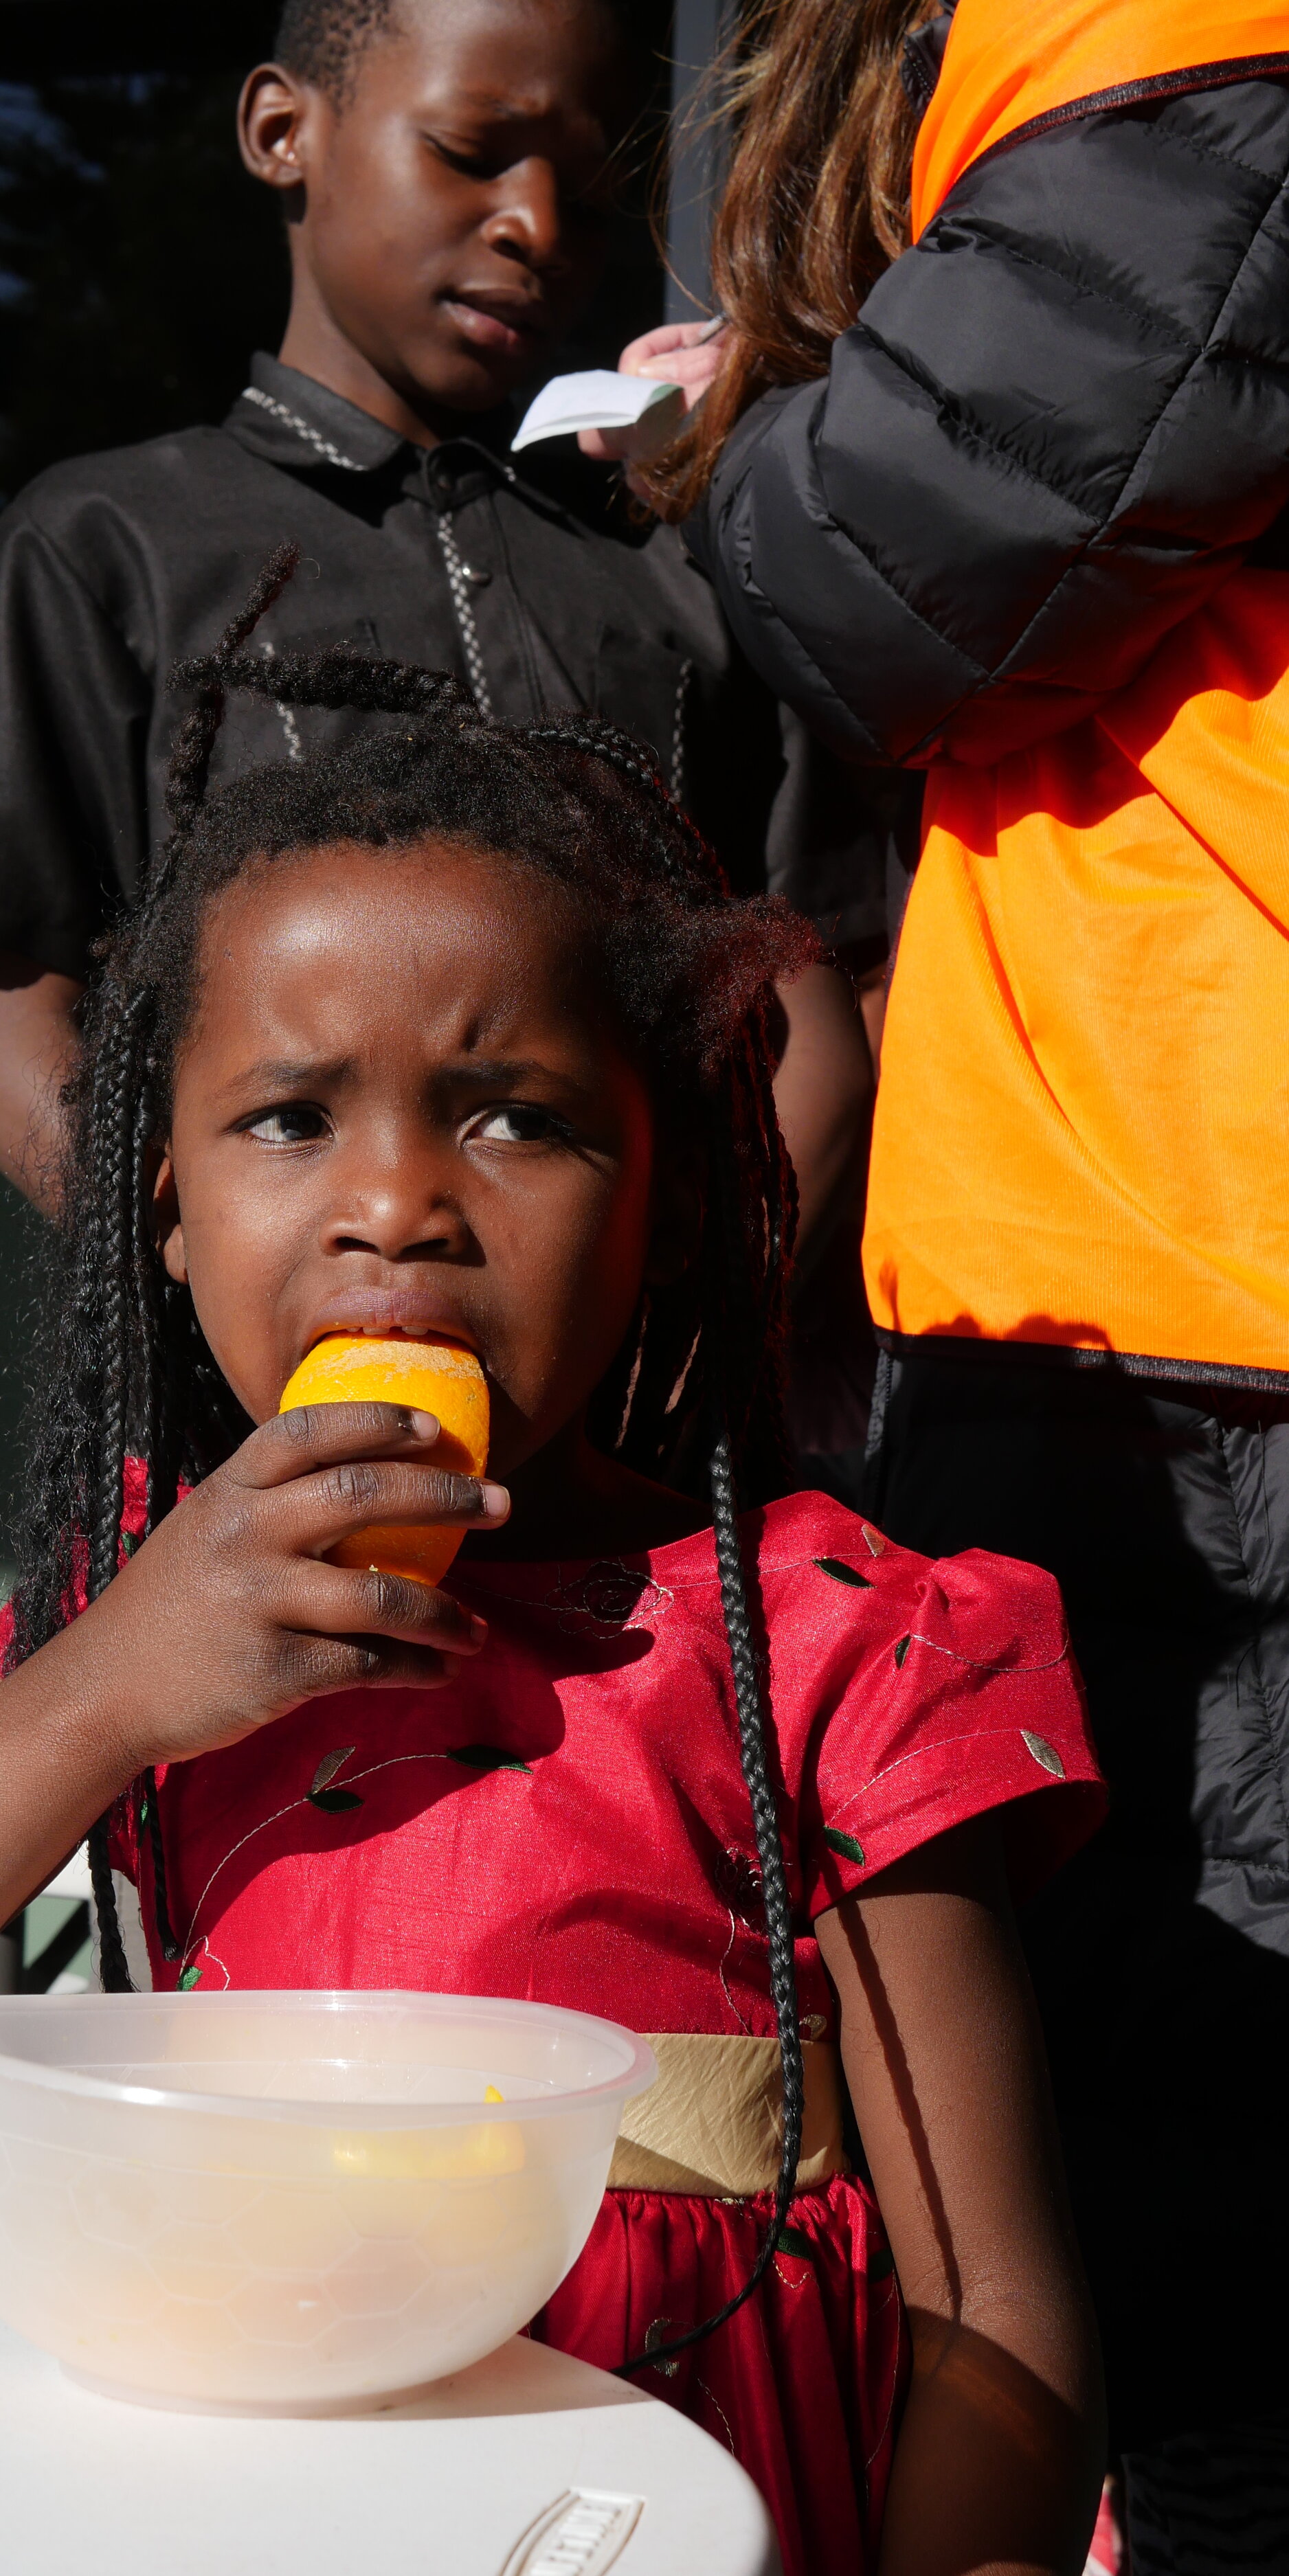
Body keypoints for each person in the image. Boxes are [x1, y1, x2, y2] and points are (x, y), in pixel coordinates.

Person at [0, 569, 1106, 2576]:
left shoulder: (821, 1645)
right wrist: (98, 1689)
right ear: (160, 1210)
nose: (397, 1198)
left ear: (663, 1206)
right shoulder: (119, 1628)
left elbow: (996, 2312)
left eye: (517, 1116)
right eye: (290, 1117)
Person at [587, 0, 1289, 2527]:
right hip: (1143, 1284)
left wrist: (738, 442)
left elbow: (911, 556)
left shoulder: (1175, 37)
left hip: (1200, 1333)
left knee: (1182, 2247)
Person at [0, 0, 876, 1252]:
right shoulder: (106, 545)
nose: (539, 227)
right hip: (265, 1412)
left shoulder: (671, 569)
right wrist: (197, 1273)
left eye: (592, 188)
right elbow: (16, 1025)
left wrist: (710, 1333)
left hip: (640, 1409)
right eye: (470, 151)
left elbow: (820, 1009)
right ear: (284, 129)